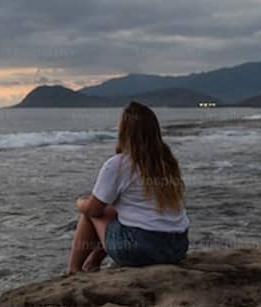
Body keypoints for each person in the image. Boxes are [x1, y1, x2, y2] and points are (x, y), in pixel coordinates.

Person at [68, 101, 190, 273]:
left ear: (124, 132)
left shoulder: (118, 164)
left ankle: (73, 269)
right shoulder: (167, 162)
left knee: (89, 213)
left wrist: (80, 202)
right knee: (114, 211)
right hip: (177, 247)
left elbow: (94, 210)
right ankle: (92, 263)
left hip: (141, 250)